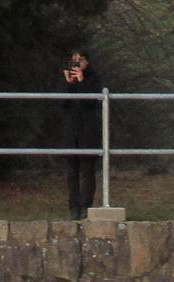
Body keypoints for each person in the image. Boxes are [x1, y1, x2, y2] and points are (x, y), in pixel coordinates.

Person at [60, 48, 102, 219]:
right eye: (74, 60)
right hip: (71, 131)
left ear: (87, 62)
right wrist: (69, 83)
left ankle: (86, 205)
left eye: (80, 60)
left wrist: (82, 81)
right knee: (72, 171)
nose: (77, 64)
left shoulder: (93, 78)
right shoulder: (68, 79)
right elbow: (63, 104)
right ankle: (73, 206)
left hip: (88, 130)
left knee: (87, 170)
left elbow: (91, 102)